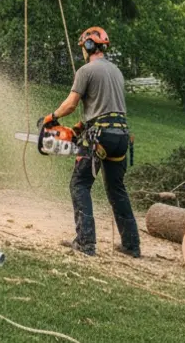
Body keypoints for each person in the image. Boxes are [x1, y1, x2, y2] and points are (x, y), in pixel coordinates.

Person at [40, 26, 140, 257]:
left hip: (100, 137)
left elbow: (71, 104)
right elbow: (105, 108)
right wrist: (80, 127)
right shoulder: (116, 71)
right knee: (117, 189)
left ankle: (86, 242)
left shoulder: (86, 71)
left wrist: (51, 117)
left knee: (80, 183)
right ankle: (131, 244)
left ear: (88, 46)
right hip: (121, 136)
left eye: (83, 47)